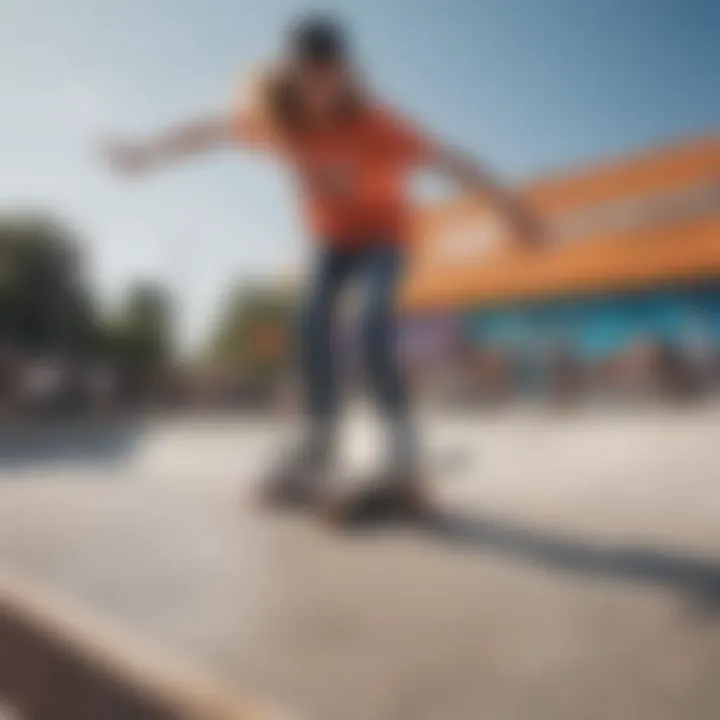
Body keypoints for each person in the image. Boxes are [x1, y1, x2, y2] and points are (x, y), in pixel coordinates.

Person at [103, 15, 544, 518]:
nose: (319, 87)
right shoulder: (277, 121)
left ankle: (402, 450)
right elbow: (209, 133)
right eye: (308, 75)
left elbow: (454, 163)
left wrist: (515, 212)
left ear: (347, 74)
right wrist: (146, 153)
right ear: (290, 75)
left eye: (330, 74)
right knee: (311, 320)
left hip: (385, 237)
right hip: (330, 243)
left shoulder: (380, 125)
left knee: (372, 321)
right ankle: (319, 442)